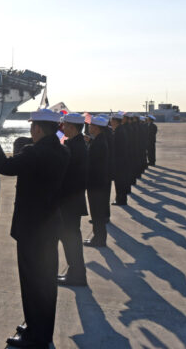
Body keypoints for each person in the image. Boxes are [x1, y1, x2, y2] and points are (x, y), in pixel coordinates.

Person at [0, 109, 69, 349]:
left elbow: (5, 166)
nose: (31, 130)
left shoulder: (35, 153)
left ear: (38, 128)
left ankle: (35, 337)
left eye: (33, 127)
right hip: (50, 227)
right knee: (46, 283)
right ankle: (39, 328)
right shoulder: (63, 151)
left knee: (32, 283)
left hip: (32, 230)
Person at [56, 113, 88, 286]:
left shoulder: (73, 148)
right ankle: (75, 272)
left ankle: (77, 275)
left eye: (65, 126)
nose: (63, 128)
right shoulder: (78, 144)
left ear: (73, 127)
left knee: (71, 240)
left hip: (69, 202)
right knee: (70, 239)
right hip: (73, 201)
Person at [84, 115, 111, 248]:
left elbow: (92, 162)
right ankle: (98, 238)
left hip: (96, 183)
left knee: (97, 213)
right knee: (97, 212)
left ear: (97, 128)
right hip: (99, 182)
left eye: (91, 126)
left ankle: (99, 240)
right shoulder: (100, 140)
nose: (89, 128)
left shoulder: (99, 142)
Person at [110, 112, 131, 206]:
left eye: (111, 120)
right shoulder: (120, 129)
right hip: (122, 160)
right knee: (121, 181)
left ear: (115, 121)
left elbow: (116, 147)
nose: (110, 122)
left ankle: (121, 200)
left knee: (120, 182)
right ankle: (120, 198)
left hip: (119, 160)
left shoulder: (119, 131)